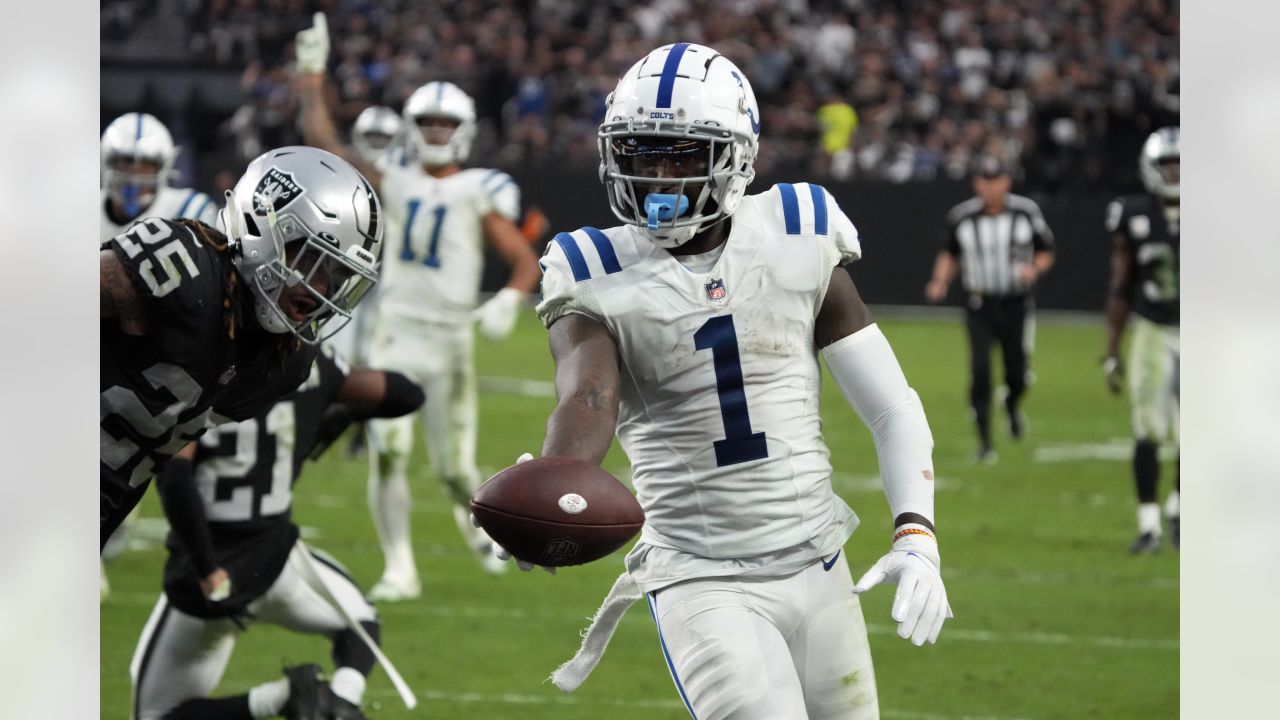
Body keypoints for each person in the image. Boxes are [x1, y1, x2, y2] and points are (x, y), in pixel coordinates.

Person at [513, 43, 951, 718]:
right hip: (701, 574)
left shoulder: (797, 230)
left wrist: (915, 534)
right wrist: (557, 480)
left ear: (737, 155)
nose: (658, 175)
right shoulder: (591, 265)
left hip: (818, 560)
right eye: (640, 153)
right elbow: (589, 395)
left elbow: (891, 406)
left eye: (683, 154)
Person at [294, 13, 542, 597]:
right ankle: (399, 566)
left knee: (456, 468)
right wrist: (310, 76)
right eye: (426, 122)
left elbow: (525, 258)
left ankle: (489, 530)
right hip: (396, 334)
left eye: (444, 123)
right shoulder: (397, 180)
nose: (434, 131)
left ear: (462, 128)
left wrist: (510, 296)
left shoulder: (477, 187)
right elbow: (324, 147)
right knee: (388, 451)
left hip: (450, 340)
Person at [101, 145, 384, 550]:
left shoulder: (284, 362)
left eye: (338, 276)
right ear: (264, 230)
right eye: (311, 261)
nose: (321, 291)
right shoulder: (184, 273)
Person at [129, 346, 425, 720]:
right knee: (359, 620)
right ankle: (343, 699)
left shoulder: (202, 363)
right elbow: (408, 394)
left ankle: (287, 699)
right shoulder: (311, 365)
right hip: (279, 565)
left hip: (213, 577)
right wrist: (340, 407)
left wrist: (206, 568)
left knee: (156, 714)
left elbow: (175, 479)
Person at [924, 155, 1055, 462]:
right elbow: (949, 253)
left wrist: (1034, 269)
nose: (990, 187)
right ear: (976, 184)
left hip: (1015, 302)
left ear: (1006, 183)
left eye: (995, 180)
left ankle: (1011, 404)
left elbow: (1046, 250)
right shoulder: (962, 217)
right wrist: (939, 281)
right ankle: (985, 443)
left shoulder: (1025, 212)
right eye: (984, 180)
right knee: (980, 369)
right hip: (979, 304)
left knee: (1018, 372)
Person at [1103, 127, 1180, 553]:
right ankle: (1149, 524)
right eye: (1166, 166)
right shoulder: (1133, 213)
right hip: (1152, 328)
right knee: (1147, 428)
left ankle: (1179, 508)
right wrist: (1112, 351)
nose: (1174, 174)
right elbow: (1121, 286)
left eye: (1180, 166)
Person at [101, 112, 220, 244]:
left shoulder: (188, 209)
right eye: (125, 161)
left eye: (145, 164)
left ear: (163, 167)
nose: (134, 175)